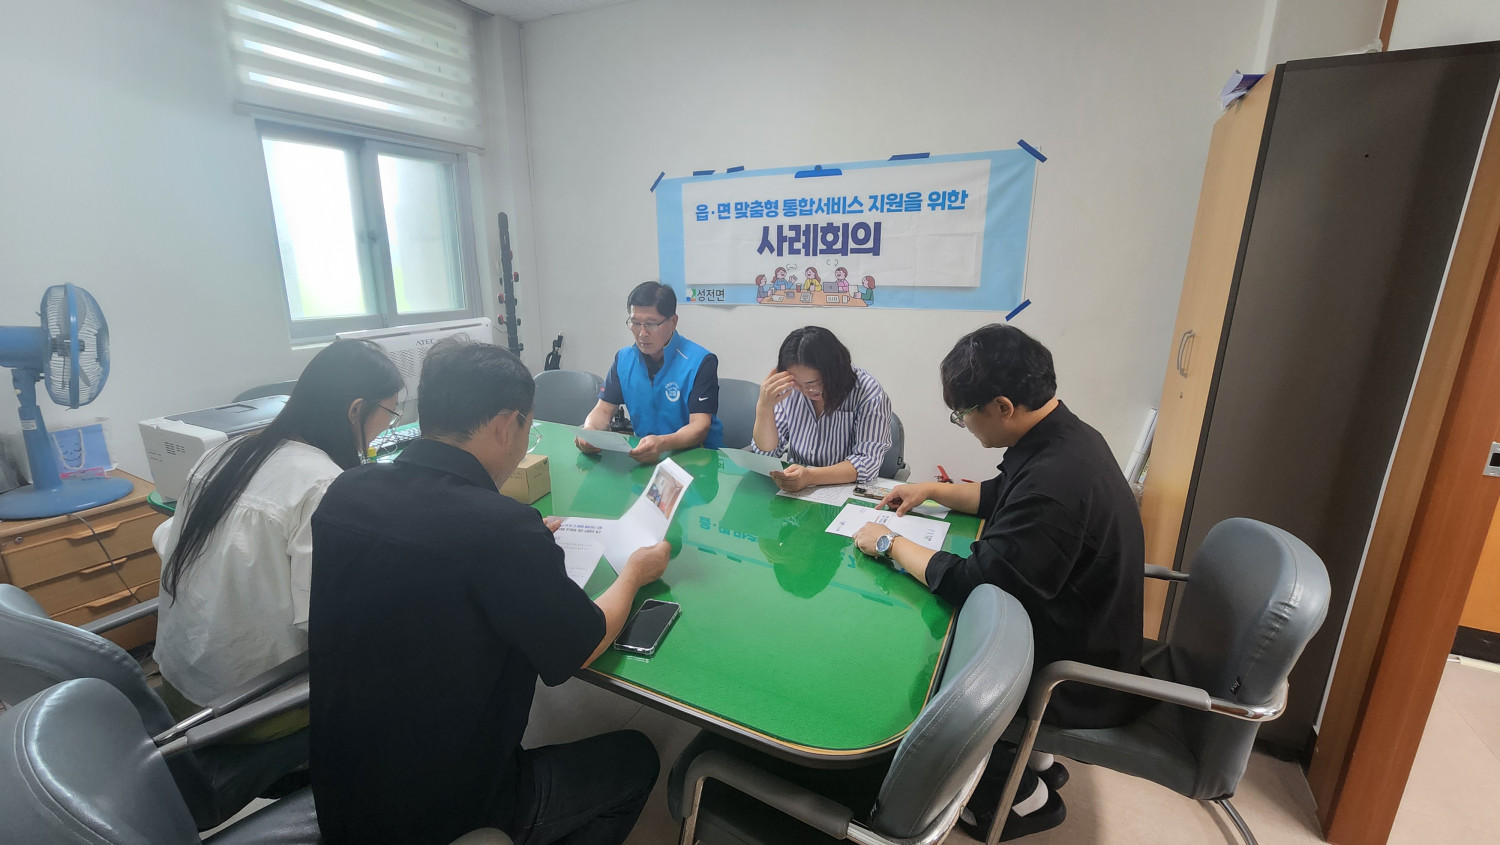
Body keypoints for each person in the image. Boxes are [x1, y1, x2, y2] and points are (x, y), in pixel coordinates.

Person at [309, 338, 670, 845]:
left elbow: (424, 563)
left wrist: (519, 542)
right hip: (444, 815)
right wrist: (633, 574)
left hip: (340, 796)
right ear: (506, 424)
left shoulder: (347, 492)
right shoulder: (500, 528)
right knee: (636, 758)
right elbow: (582, 644)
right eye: (527, 427)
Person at [852, 324, 1145, 841]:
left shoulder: (1056, 482)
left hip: (1073, 675)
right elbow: (1000, 493)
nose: (963, 424)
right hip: (1086, 625)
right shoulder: (1062, 436)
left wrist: (888, 543)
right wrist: (930, 490)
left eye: (963, 414)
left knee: (919, 660)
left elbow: (973, 583)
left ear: (1003, 407)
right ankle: (1031, 759)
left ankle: (1023, 797)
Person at [152, 339, 402, 739]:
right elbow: (328, 622)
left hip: (179, 689)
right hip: (248, 710)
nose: (387, 426)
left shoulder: (224, 454)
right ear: (356, 410)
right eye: (389, 413)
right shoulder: (321, 485)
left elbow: (165, 539)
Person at [579, 281, 723, 462]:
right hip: (645, 456)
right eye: (635, 323)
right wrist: (589, 431)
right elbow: (603, 410)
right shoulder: (624, 359)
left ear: (673, 321)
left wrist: (662, 443)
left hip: (697, 460)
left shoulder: (700, 361)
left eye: (651, 324)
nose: (642, 333)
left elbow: (700, 426)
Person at [750, 326, 892, 492]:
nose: (806, 391)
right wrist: (764, 407)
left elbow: (867, 462)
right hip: (796, 489)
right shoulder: (789, 388)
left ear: (834, 371)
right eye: (797, 383)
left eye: (813, 383)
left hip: (846, 489)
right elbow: (767, 453)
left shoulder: (868, 393)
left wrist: (810, 476)